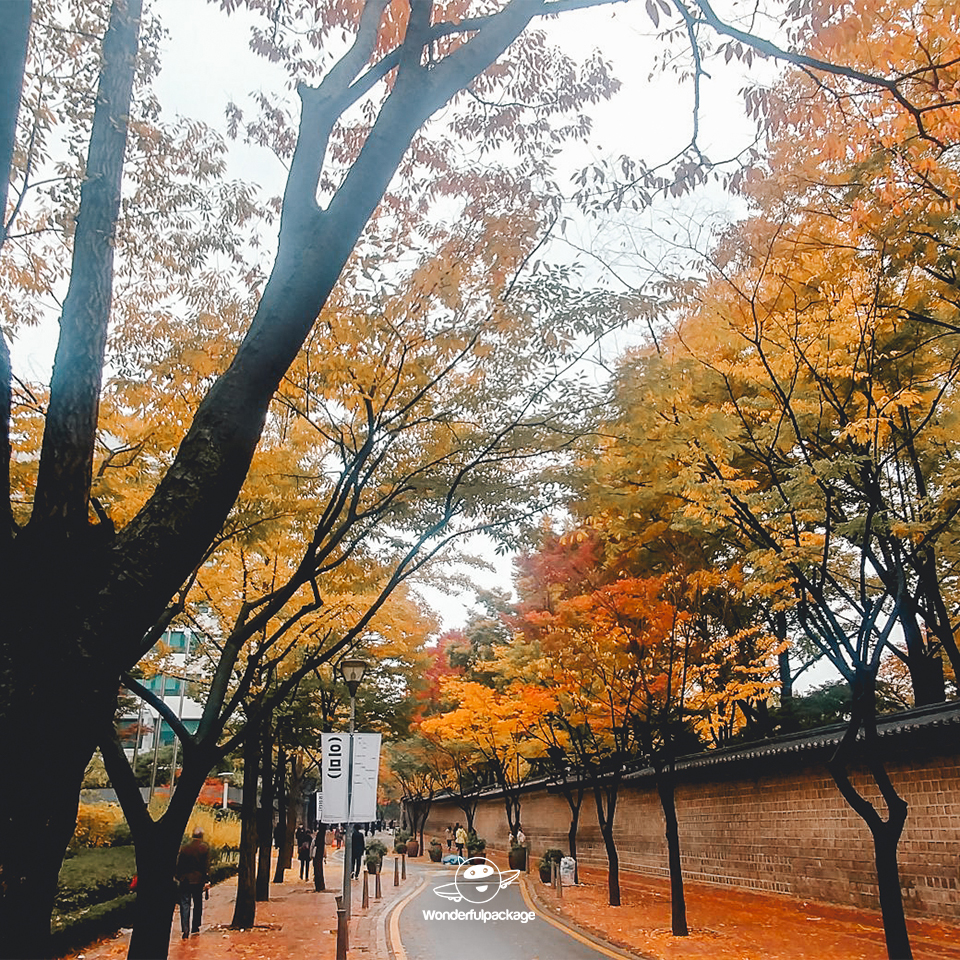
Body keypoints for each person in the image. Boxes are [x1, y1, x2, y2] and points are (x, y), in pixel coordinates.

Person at [175, 827, 210, 940]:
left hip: (185, 880)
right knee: (197, 904)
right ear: (202, 836)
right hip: (198, 880)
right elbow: (205, 866)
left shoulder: (185, 848)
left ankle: (185, 928)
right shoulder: (204, 848)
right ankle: (195, 927)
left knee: (185, 904)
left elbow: (179, 865)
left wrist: (178, 877)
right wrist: (207, 880)